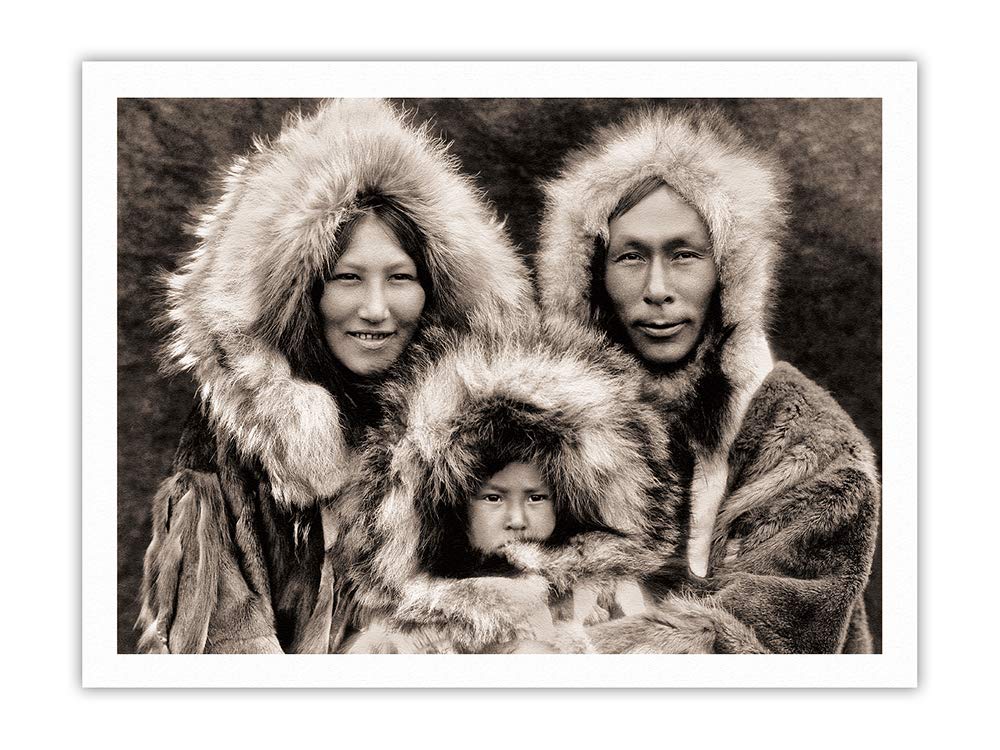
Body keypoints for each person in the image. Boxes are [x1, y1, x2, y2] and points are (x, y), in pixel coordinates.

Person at [135, 98, 531, 653]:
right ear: (305, 294)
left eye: (400, 277)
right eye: (347, 278)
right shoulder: (238, 442)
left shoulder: (488, 433)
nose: (375, 309)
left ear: (435, 291)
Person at [534, 107, 881, 653]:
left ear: (727, 273)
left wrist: (562, 655)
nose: (657, 289)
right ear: (593, 277)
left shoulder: (811, 445)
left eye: (684, 255)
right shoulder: (541, 421)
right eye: (630, 257)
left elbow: (770, 646)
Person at [330, 315, 690, 654]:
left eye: (536, 498)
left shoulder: (608, 600)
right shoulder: (407, 628)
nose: (517, 519)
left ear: (568, 503)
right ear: (454, 510)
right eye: (493, 498)